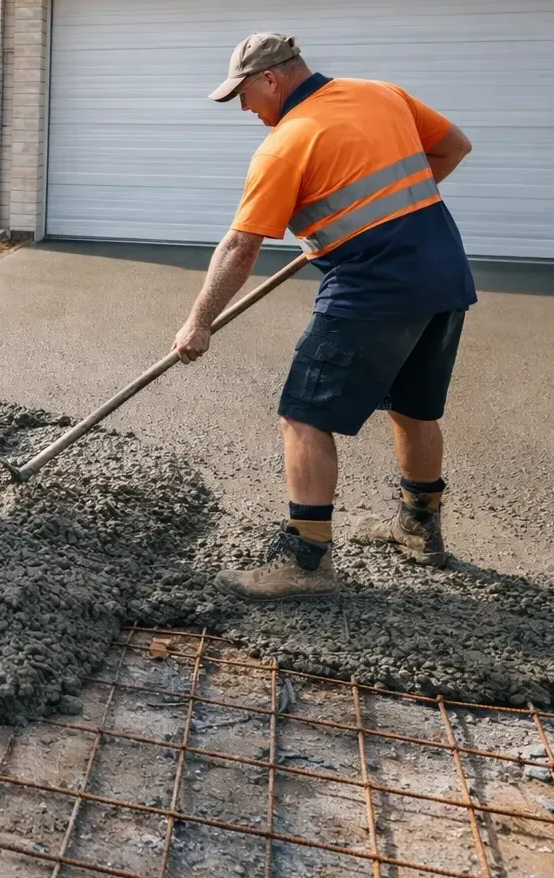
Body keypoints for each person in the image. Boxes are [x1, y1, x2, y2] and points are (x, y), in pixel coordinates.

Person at [173, 33, 476, 601]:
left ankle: (305, 563)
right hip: (444, 274)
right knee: (413, 408)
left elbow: (240, 246)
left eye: (243, 94)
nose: (243, 108)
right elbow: (453, 147)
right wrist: (376, 212)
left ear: (271, 79)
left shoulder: (287, 144)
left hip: (373, 286)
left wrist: (199, 323)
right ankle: (419, 530)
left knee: (304, 416)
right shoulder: (379, 93)